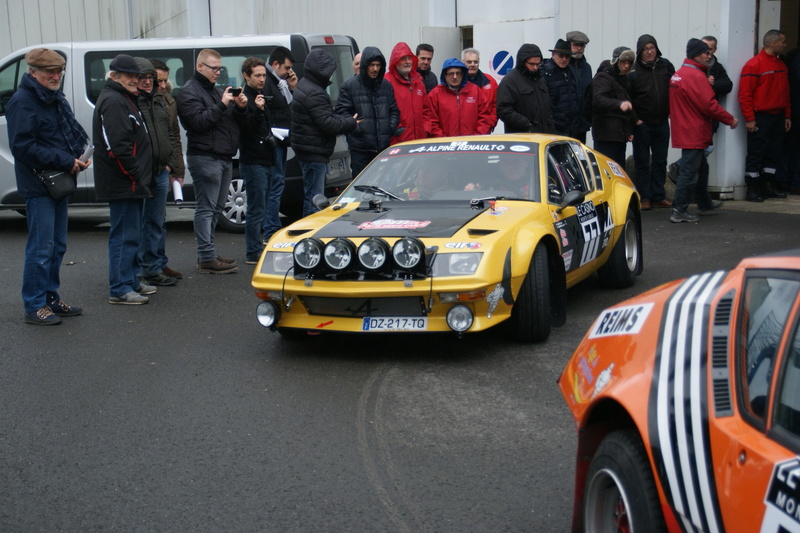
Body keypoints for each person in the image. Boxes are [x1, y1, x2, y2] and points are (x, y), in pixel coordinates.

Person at [6, 48, 90, 324]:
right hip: (39, 183)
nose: (57, 76)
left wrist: (75, 158)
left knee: (57, 246)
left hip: (58, 180)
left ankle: (50, 299)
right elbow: (22, 147)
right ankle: (34, 305)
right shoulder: (23, 101)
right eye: (50, 72)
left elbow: (60, 137)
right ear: (33, 72)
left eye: (59, 71)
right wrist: (66, 160)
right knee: (42, 248)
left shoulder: (52, 97)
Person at [177, 48, 248, 273]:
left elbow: (229, 123)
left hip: (224, 156)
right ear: (200, 67)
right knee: (206, 208)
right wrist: (222, 104)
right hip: (205, 157)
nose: (218, 72)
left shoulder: (216, 91)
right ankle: (206, 257)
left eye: (220, 68)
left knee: (217, 208)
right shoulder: (189, 92)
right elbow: (198, 123)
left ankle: (208, 254)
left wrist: (241, 107)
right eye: (213, 68)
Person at [93, 54, 154, 305]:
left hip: (132, 182)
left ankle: (129, 279)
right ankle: (119, 287)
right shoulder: (114, 101)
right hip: (124, 182)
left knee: (133, 233)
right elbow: (117, 147)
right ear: (115, 76)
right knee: (124, 236)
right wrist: (136, 175)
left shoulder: (125, 98)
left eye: (136, 76)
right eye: (128, 76)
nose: (134, 80)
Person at [669, 38, 738, 223]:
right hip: (694, 131)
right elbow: (709, 105)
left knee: (701, 168)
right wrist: (729, 119)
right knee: (689, 172)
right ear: (695, 54)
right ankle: (679, 209)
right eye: (705, 53)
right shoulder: (696, 77)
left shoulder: (680, 73)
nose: (709, 56)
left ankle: (704, 202)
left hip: (685, 128)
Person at [291, 48, 358, 217]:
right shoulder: (314, 92)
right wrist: (351, 122)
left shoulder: (306, 85)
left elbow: (325, 118)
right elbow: (328, 123)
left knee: (311, 195)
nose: (330, 76)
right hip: (314, 151)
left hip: (308, 149)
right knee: (314, 199)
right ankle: (309, 236)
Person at [133, 57, 178, 287]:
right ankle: (145, 269)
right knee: (142, 223)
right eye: (144, 78)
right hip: (142, 172)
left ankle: (154, 266)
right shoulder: (133, 101)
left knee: (156, 221)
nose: (149, 82)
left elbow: (170, 134)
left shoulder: (159, 101)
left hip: (161, 170)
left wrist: (170, 164)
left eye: (151, 78)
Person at [738, 29, 791, 202]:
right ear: (774, 43)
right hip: (761, 117)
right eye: (783, 42)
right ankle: (752, 189)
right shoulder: (754, 65)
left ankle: (768, 185)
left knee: (773, 153)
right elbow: (745, 94)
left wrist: (787, 116)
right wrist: (750, 119)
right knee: (756, 153)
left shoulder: (781, 65)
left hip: (777, 116)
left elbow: (785, 93)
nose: (785, 45)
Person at [335, 46, 399, 177]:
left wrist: (389, 127)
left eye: (378, 65)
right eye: (372, 65)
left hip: (383, 148)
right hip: (360, 149)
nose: (375, 69)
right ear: (365, 65)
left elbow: (394, 110)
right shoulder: (350, 86)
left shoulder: (386, 86)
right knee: (361, 187)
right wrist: (357, 127)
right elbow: (341, 112)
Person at [629, 34, 675, 210]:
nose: (649, 52)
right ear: (639, 52)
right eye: (645, 49)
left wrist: (673, 111)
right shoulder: (633, 72)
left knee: (660, 160)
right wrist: (636, 119)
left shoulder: (666, 66)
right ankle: (644, 197)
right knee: (642, 162)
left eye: (652, 48)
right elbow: (628, 97)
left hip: (662, 121)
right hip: (642, 123)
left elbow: (676, 88)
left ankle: (658, 195)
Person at [238, 57, 276, 265]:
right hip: (253, 160)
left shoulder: (259, 96)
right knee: (256, 207)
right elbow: (244, 130)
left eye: (264, 75)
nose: (262, 79)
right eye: (258, 75)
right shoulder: (244, 99)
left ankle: (256, 246)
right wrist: (258, 111)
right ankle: (252, 251)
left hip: (266, 158)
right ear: (246, 76)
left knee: (264, 205)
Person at [150, 58, 185, 280]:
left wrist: (177, 170)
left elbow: (174, 136)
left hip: (165, 167)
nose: (162, 85)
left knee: (159, 220)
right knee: (151, 221)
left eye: (164, 80)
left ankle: (159, 262)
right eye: (158, 81)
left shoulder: (169, 101)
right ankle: (150, 265)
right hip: (152, 168)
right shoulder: (146, 101)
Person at [262, 46, 298, 243]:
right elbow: (275, 113)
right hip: (274, 142)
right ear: (275, 64)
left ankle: (271, 227)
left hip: (281, 141)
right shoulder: (268, 83)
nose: (289, 72)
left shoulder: (280, 83)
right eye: (286, 68)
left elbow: (289, 109)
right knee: (274, 187)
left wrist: (292, 88)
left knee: (277, 185)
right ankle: (271, 230)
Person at [590, 48, 637, 167]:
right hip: (605, 134)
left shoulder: (623, 79)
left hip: (619, 136)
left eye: (629, 63)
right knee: (606, 170)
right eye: (623, 62)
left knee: (618, 169)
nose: (626, 66)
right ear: (616, 61)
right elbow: (598, 99)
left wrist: (628, 130)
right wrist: (619, 104)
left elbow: (626, 108)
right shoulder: (603, 77)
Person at [424, 58, 492, 137]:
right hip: (445, 145)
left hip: (472, 144)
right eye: (451, 73)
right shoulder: (435, 94)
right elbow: (431, 121)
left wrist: (475, 138)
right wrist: (443, 140)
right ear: (444, 75)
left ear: (463, 74)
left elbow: (484, 117)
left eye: (458, 73)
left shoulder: (475, 91)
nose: (455, 76)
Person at [496, 43, 556, 134]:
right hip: (521, 136)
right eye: (532, 64)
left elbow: (548, 107)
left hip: (544, 134)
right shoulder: (510, 81)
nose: (535, 68)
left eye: (538, 64)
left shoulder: (540, 79)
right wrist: (527, 124)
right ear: (522, 62)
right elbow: (503, 110)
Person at [542, 39, 586, 139]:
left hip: (571, 127)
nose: (564, 59)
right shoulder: (546, 73)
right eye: (561, 56)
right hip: (555, 128)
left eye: (567, 56)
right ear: (553, 55)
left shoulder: (570, 72)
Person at [385, 42, 427, 144]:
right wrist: (395, 128)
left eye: (409, 58)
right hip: (398, 140)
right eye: (403, 58)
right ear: (395, 61)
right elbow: (383, 111)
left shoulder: (418, 81)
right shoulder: (387, 81)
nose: (408, 62)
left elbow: (426, 109)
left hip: (420, 139)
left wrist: (426, 128)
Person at [566, 30, 593, 143]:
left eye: (582, 45)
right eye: (575, 45)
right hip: (565, 123)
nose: (579, 48)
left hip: (582, 123)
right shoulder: (563, 65)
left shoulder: (586, 68)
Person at [462, 48, 498, 130]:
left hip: (485, 129)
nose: (472, 64)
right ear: (462, 63)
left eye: (475, 62)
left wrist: (490, 124)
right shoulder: (457, 83)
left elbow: (496, 105)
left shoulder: (490, 81)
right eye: (469, 62)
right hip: (464, 131)